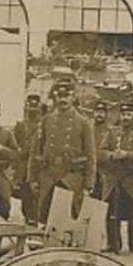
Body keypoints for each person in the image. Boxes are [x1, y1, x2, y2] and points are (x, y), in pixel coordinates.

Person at [34, 78, 96, 223]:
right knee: (45, 217)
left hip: (71, 179)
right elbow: (36, 151)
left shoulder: (83, 123)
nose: (63, 100)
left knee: (67, 220)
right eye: (60, 96)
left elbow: (91, 156)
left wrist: (88, 185)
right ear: (55, 97)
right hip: (48, 176)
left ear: (73, 97)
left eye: (66, 96)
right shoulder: (46, 120)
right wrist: (33, 178)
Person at [98, 103, 133, 253]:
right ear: (119, 116)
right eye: (123, 115)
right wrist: (111, 155)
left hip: (131, 180)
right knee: (110, 213)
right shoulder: (112, 133)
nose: (126, 118)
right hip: (113, 179)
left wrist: (127, 155)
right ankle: (112, 243)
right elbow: (100, 153)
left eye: (129, 114)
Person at [18, 93, 44, 224]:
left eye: (35, 106)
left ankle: (35, 221)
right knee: (26, 198)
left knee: (37, 198)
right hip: (23, 167)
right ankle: (28, 220)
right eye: (30, 106)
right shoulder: (20, 126)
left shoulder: (43, 126)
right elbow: (16, 146)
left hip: (38, 168)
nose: (33, 110)